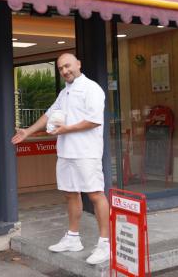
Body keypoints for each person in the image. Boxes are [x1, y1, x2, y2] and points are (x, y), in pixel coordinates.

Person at [11, 53, 110, 265]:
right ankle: (73, 238)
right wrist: (28, 132)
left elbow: (93, 120)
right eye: (60, 69)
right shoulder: (64, 92)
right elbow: (49, 115)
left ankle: (105, 243)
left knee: (95, 195)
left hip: (86, 152)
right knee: (70, 195)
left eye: (67, 66)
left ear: (78, 64)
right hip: (65, 153)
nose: (65, 71)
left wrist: (67, 128)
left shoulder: (92, 89)